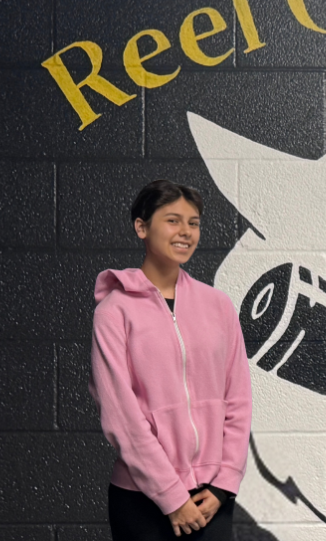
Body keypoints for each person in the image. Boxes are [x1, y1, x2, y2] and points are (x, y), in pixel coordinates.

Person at [90, 180, 252, 540]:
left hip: (212, 497)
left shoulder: (218, 306)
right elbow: (121, 416)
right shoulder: (114, 312)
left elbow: (238, 399)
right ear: (141, 227)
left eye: (193, 223)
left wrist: (225, 483)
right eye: (173, 220)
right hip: (142, 499)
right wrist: (172, 497)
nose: (186, 232)